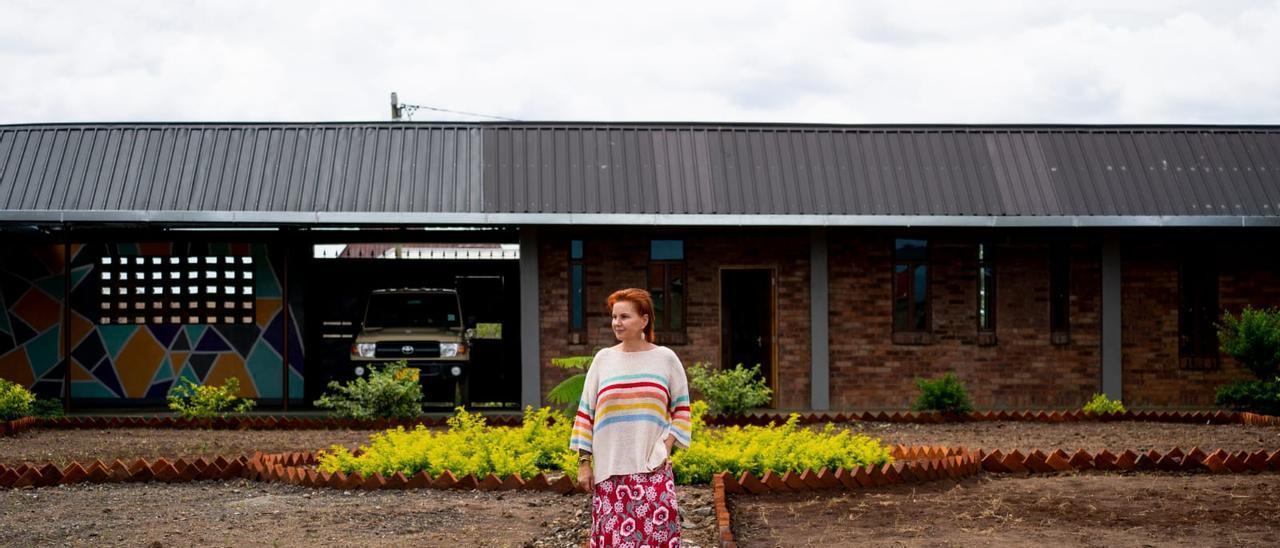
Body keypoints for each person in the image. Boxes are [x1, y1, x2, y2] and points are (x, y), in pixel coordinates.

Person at [569, 288, 692, 547]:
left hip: (652, 469)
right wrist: (584, 462)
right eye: (614, 317)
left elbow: (681, 410)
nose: (617, 323)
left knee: (657, 539)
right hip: (610, 474)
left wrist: (666, 446)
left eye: (624, 317)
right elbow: (585, 414)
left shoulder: (665, 359)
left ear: (644, 320)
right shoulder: (603, 360)